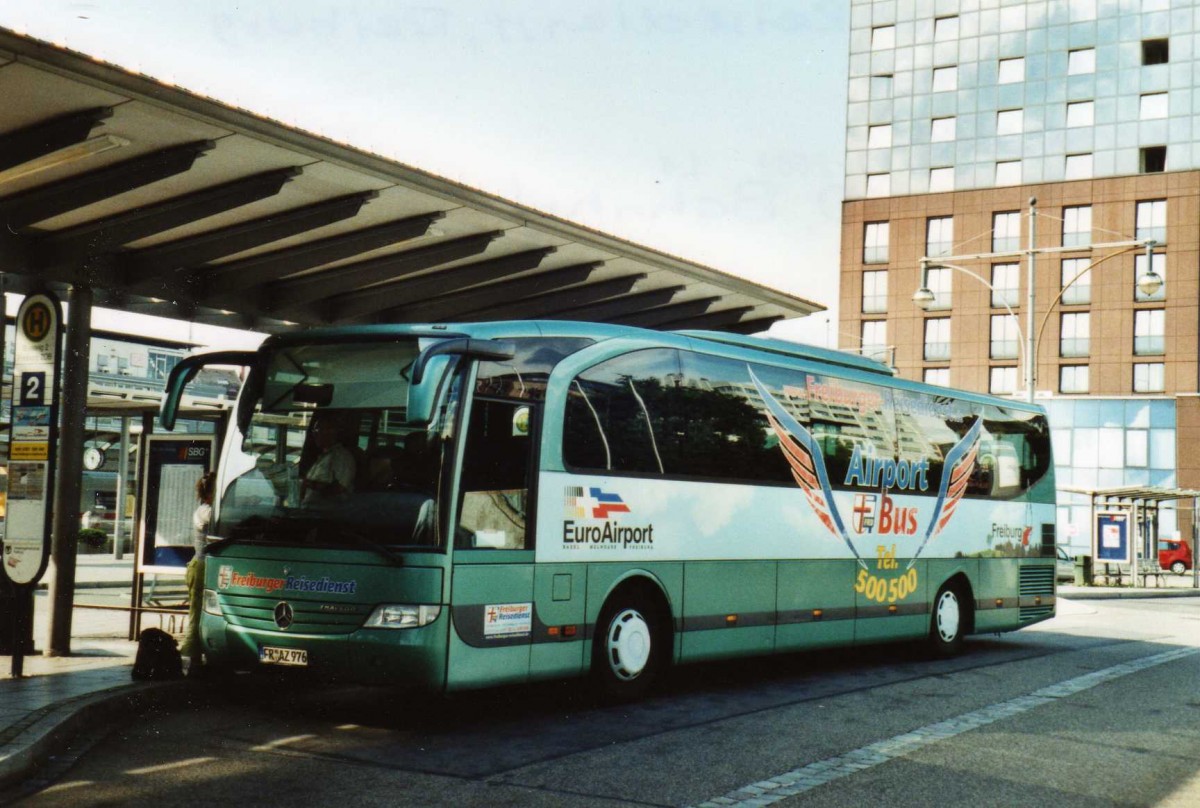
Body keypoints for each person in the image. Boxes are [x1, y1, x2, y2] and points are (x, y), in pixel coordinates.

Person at [182, 471, 215, 672]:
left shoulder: (208, 509)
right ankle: (193, 657)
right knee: (196, 614)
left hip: (206, 566)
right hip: (200, 566)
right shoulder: (205, 511)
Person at [301, 413, 357, 505]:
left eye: (318, 430)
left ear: (332, 432)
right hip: (309, 509)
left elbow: (340, 489)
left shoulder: (342, 457)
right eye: (314, 430)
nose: (315, 434)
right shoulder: (323, 456)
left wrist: (310, 484)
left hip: (328, 511)